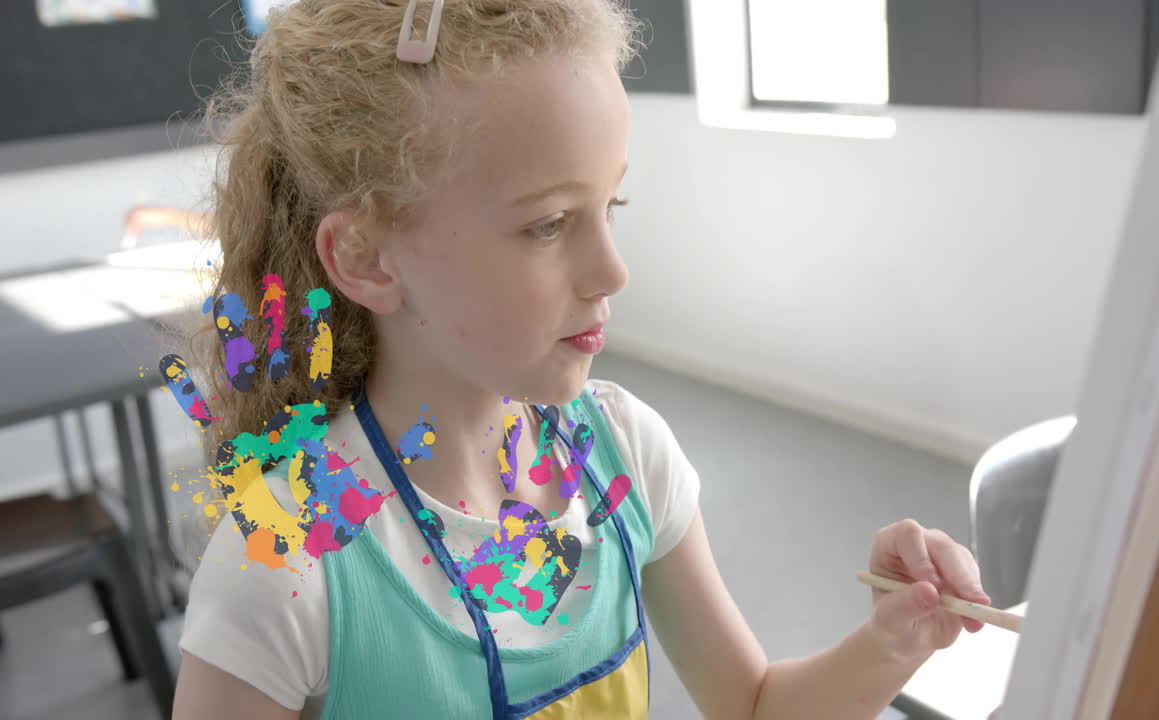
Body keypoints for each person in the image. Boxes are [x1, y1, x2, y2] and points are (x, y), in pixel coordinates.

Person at [171, 1, 992, 718]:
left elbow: (751, 707)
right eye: (548, 225)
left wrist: (895, 641)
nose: (613, 272)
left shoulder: (624, 456)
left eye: (611, 205)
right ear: (366, 257)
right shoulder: (282, 564)